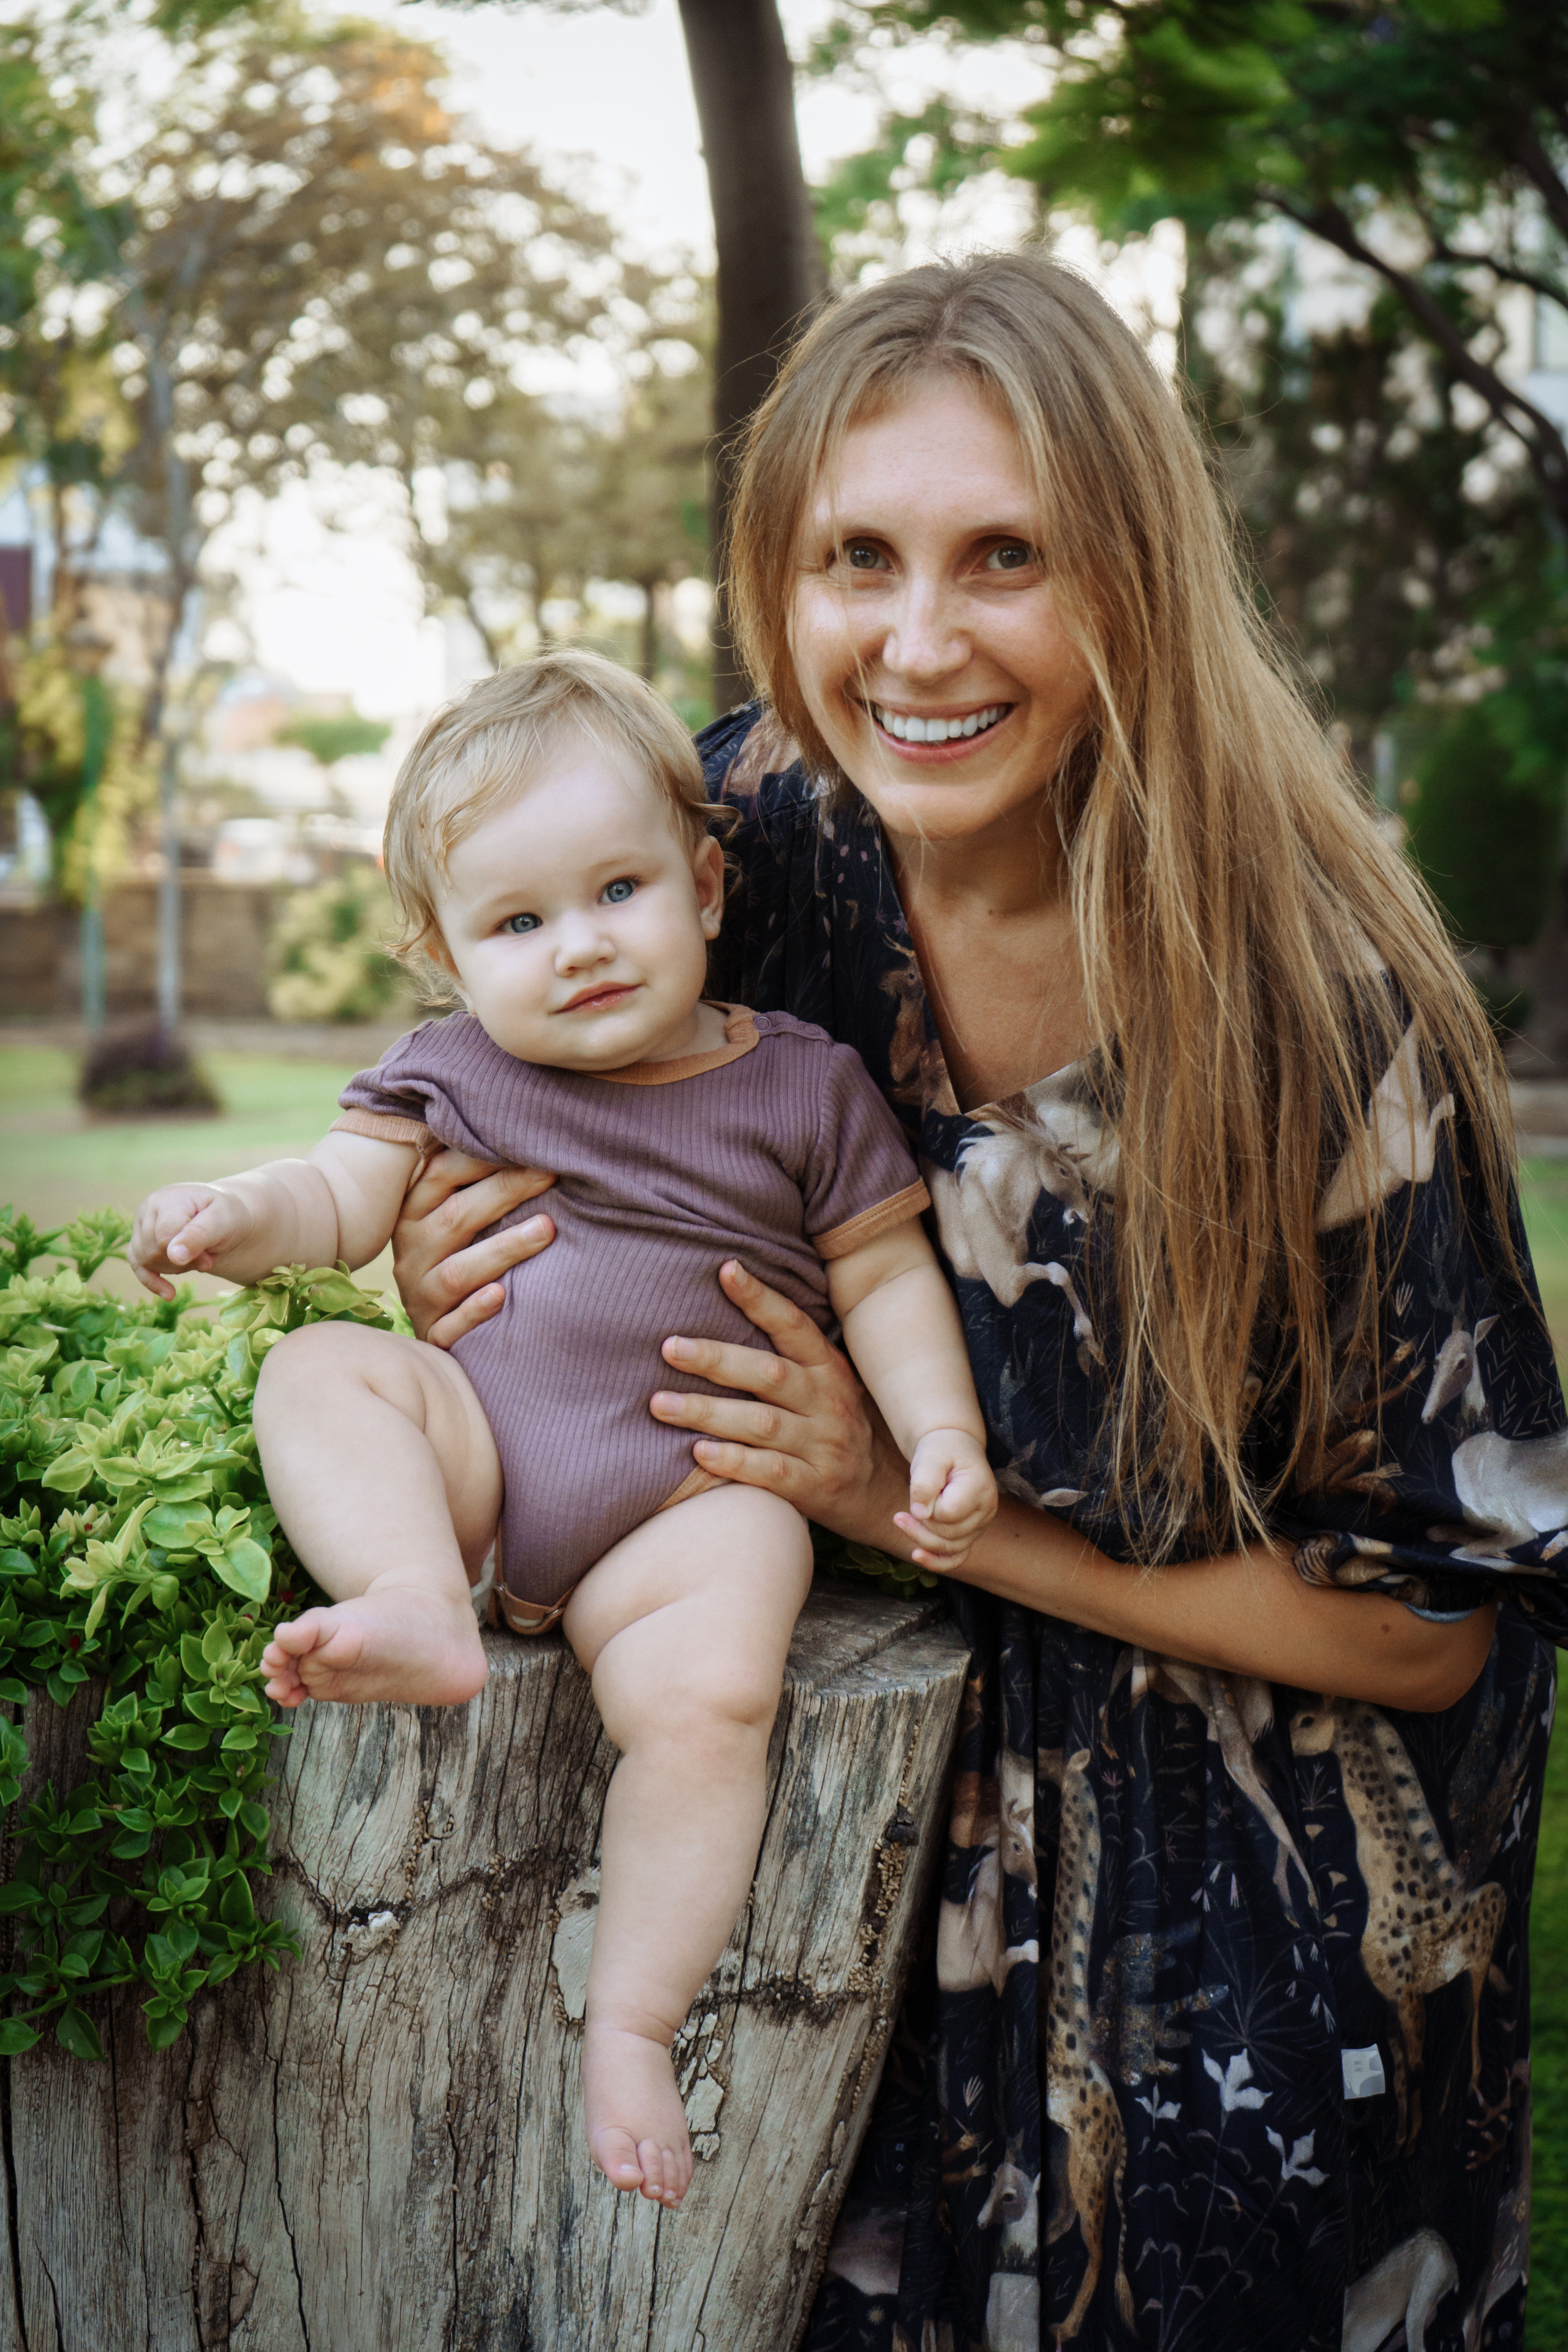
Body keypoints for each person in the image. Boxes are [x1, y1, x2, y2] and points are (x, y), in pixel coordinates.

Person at [388, 253, 1568, 2350]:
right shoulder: (745, 842)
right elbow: (493, 1048)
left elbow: (1424, 1616)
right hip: (857, 1910)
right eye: (857, 556)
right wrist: (437, 1227)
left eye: (1004, 555)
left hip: (1254, 1971)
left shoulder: (1316, 1010)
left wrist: (920, 1504)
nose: (916, 643)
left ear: (1128, 573)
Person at [126, 649, 997, 2218]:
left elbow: (879, 1273)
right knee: (328, 1370)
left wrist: (933, 1427)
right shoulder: (450, 1074)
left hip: (678, 1506)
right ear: (445, 955)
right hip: (479, 1469)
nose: (578, 948)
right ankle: (411, 1595)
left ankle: (632, 2020)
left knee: (716, 1689)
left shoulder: (799, 1085)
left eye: (615, 891)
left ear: (706, 882)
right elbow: (333, 1204)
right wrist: (231, 1213)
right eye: (518, 923)